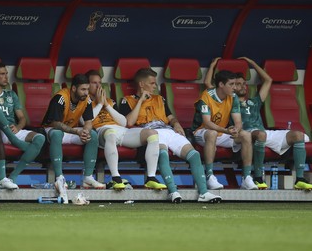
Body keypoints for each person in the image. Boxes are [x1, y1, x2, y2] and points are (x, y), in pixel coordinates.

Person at [205, 57, 312, 190]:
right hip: (246, 136)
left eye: (244, 83)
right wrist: (213, 64)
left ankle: (300, 179)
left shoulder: (255, 101)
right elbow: (208, 84)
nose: (242, 86)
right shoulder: (228, 101)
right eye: (238, 84)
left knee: (298, 135)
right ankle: (258, 178)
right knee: (261, 134)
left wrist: (252, 63)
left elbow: (268, 80)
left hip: (264, 133)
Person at [118, 68, 222, 203]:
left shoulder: (160, 99)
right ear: (142, 84)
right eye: (152, 83)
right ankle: (173, 191)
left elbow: (171, 117)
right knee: (162, 154)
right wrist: (141, 101)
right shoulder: (126, 100)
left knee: (194, 155)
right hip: (150, 133)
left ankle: (204, 193)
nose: (155, 86)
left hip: (168, 130)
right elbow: (129, 122)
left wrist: (177, 124)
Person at [86, 70, 168, 191]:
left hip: (121, 130)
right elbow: (86, 121)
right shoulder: (84, 101)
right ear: (87, 85)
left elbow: (124, 123)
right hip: (102, 131)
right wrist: (99, 104)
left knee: (152, 134)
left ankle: (151, 178)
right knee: (110, 134)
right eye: (94, 83)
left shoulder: (109, 101)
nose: (99, 86)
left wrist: (106, 105)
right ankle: (116, 177)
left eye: (100, 83)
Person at [42, 74, 105, 204]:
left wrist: (85, 131)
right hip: (51, 130)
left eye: (87, 89)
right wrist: (75, 131)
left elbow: (88, 121)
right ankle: (59, 178)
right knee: (57, 134)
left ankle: (88, 177)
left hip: (71, 131)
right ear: (74, 88)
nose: (86, 92)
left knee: (92, 135)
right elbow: (55, 123)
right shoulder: (61, 97)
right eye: (83, 89)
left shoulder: (86, 99)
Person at [191, 69, 258, 190]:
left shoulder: (233, 97)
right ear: (221, 85)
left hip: (222, 133)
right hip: (201, 132)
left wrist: (236, 129)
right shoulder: (206, 96)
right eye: (231, 84)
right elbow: (207, 123)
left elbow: (238, 121)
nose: (235, 88)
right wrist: (227, 130)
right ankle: (209, 176)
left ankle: (247, 178)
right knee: (212, 133)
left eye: (235, 84)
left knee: (246, 135)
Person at [0, 61, 45, 185]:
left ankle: (13, 176)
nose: (6, 77)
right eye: (2, 74)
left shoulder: (11, 94)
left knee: (40, 138)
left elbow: (22, 118)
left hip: (13, 131)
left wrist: (18, 127)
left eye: (6, 74)